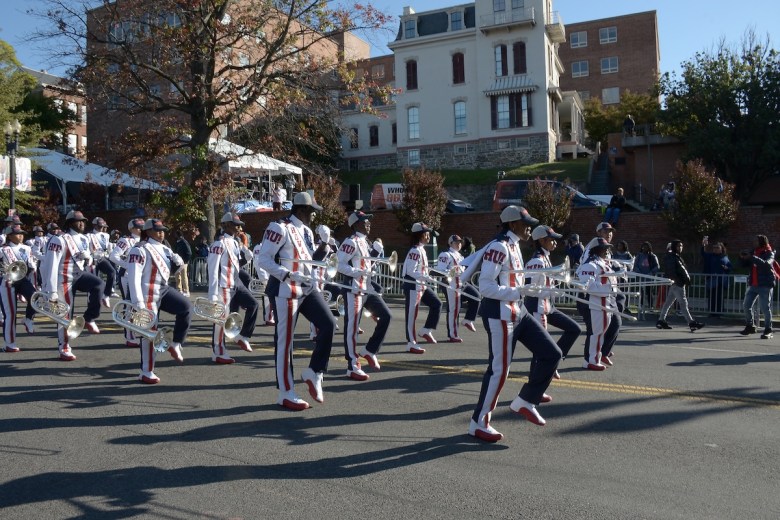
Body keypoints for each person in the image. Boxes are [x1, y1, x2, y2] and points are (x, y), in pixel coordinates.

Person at [469, 206, 562, 442]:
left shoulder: (514, 245)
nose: (529, 227)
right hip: (499, 314)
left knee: (552, 353)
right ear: (512, 225)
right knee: (499, 371)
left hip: (517, 312)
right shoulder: (499, 247)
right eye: (525, 223)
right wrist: (517, 291)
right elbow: (485, 286)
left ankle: (526, 400)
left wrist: (528, 291)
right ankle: (479, 422)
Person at [256, 191, 335, 411]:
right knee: (285, 341)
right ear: (301, 210)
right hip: (285, 289)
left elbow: (310, 261)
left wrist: (324, 246)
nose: (313, 216)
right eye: (311, 212)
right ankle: (286, 391)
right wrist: (286, 274)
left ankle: (314, 372)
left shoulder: (307, 231)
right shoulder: (279, 227)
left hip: (307, 287)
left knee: (329, 324)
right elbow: (263, 260)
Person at [126, 218, 191, 383]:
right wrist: (138, 303)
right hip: (147, 292)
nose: (162, 233)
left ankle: (176, 343)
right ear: (147, 231)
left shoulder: (165, 249)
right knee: (149, 332)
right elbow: (133, 277)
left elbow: (172, 269)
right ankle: (146, 371)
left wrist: (179, 263)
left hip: (164, 289)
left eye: (163, 230)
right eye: (158, 230)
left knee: (185, 307)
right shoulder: (139, 249)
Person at [40, 210, 105, 361]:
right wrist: (51, 290)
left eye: (83, 220)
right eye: (78, 221)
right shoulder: (59, 239)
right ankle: (64, 346)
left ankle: (89, 317)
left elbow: (85, 258)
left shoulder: (83, 238)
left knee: (99, 284)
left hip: (79, 274)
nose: (82, 223)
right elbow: (51, 265)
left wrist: (88, 258)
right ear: (70, 223)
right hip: (63, 278)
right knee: (66, 314)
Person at [335, 211, 392, 380]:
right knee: (352, 329)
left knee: (386, 315)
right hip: (353, 289)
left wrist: (374, 256)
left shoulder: (365, 242)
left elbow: (367, 264)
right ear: (356, 224)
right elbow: (338, 264)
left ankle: (369, 350)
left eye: (368, 221)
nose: (368, 223)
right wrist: (356, 272)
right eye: (364, 221)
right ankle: (352, 365)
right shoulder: (350, 242)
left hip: (367, 288)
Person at [524, 225, 581, 379]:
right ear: (542, 240)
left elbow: (545, 284)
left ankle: (552, 363)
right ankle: (535, 381)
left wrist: (555, 290)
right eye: (552, 240)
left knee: (574, 329)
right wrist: (549, 291)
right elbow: (528, 288)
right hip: (537, 308)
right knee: (540, 349)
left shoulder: (545, 258)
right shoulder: (536, 261)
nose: (556, 243)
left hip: (548, 307)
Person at [206, 212, 259, 364]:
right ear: (226, 225)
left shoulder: (235, 242)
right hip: (224, 285)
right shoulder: (218, 244)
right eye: (236, 225)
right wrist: (213, 294)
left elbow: (238, 264)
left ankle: (243, 336)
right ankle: (218, 351)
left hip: (236, 283)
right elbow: (213, 269)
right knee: (221, 319)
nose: (238, 228)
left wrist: (246, 253)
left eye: (239, 225)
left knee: (253, 304)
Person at [576, 238, 621, 370]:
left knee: (600, 333)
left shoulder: (602, 263)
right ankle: (591, 360)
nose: (607, 250)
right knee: (596, 333)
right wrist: (607, 289)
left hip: (605, 302)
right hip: (596, 303)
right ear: (597, 249)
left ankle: (595, 358)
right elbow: (586, 286)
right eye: (604, 248)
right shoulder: (590, 264)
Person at [401, 222, 442, 353]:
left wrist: (431, 274)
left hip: (421, 285)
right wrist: (426, 277)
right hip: (413, 286)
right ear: (419, 235)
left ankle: (426, 330)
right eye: (426, 233)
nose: (428, 235)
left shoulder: (421, 249)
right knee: (412, 316)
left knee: (437, 304)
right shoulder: (414, 250)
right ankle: (411, 342)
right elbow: (410, 271)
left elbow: (421, 269)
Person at [0, 224, 38, 352]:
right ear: (10, 236)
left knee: (35, 298)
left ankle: (28, 319)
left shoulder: (27, 248)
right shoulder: (2, 250)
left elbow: (31, 265)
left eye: (22, 233)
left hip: (22, 279)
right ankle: (9, 343)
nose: (21, 236)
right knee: (10, 314)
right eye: (17, 233)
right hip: (7, 282)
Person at [109, 218, 146, 347]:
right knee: (129, 304)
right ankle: (129, 336)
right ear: (131, 228)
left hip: (141, 277)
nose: (141, 229)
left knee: (140, 305)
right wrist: (127, 265)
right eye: (138, 227)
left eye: (142, 226)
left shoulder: (145, 241)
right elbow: (113, 256)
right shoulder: (126, 241)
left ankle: (137, 330)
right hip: (127, 276)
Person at [436, 234, 479, 342]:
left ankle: (468, 319)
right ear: (450, 243)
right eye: (456, 242)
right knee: (454, 309)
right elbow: (440, 271)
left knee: (476, 297)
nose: (459, 244)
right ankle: (453, 334)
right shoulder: (445, 254)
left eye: (460, 242)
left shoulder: (461, 256)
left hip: (461, 283)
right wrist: (453, 272)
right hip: (451, 284)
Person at [656, 239, 704, 332]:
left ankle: (661, 320)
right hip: (678, 283)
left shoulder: (673, 257)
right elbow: (676, 270)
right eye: (678, 246)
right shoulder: (673, 257)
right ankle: (691, 323)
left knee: (668, 303)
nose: (680, 248)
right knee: (683, 304)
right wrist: (683, 280)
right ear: (674, 247)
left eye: (681, 246)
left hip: (675, 283)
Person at [739, 235, 776, 339]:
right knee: (746, 305)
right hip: (753, 284)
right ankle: (750, 326)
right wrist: (743, 258)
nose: (753, 242)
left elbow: (767, 265)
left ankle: (768, 329)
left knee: (765, 308)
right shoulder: (753, 252)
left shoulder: (769, 253)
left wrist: (753, 257)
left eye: (755, 240)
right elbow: (742, 265)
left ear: (761, 241)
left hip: (765, 285)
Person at [88, 217, 118, 300]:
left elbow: (107, 247)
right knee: (94, 279)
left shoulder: (106, 235)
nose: (101, 228)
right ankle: (92, 298)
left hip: (102, 258)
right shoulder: (89, 235)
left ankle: (107, 294)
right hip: (93, 259)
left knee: (112, 272)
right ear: (94, 225)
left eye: (102, 226)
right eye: (99, 226)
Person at [701, 237, 732, 318]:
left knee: (720, 297)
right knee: (711, 296)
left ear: (721, 249)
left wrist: (726, 268)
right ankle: (712, 312)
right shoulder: (710, 256)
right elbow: (703, 253)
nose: (715, 249)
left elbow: (730, 267)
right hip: (712, 280)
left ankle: (719, 312)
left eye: (717, 248)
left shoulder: (725, 257)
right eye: (714, 248)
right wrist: (704, 245)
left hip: (721, 281)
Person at [633, 241, 660, 316]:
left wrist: (650, 273)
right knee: (641, 292)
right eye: (643, 247)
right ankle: (641, 306)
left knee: (649, 292)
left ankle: (650, 307)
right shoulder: (639, 256)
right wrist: (639, 272)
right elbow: (635, 265)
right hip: (641, 278)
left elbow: (657, 266)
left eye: (646, 247)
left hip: (649, 278)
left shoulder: (653, 256)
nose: (645, 248)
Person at [174, 229, 193, 297]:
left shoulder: (184, 242)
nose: (174, 236)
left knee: (184, 276)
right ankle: (179, 289)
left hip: (184, 262)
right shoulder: (177, 242)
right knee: (177, 275)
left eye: (176, 234)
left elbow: (189, 252)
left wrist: (185, 261)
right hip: (178, 261)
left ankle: (186, 290)